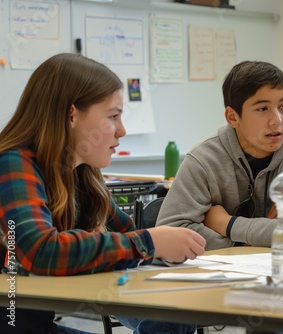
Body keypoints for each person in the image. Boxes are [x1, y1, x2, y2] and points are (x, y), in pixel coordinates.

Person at [0, 53, 206, 334]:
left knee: (172, 317)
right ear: (72, 115)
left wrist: (162, 245)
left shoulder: (81, 172)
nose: (122, 130)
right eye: (113, 116)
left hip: (32, 326)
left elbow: (126, 233)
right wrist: (148, 242)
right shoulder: (12, 163)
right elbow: (39, 251)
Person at [156, 60, 283, 251]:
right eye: (262, 109)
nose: (277, 120)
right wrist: (241, 242)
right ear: (233, 117)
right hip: (225, 274)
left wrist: (227, 224)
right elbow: (169, 232)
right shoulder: (204, 158)